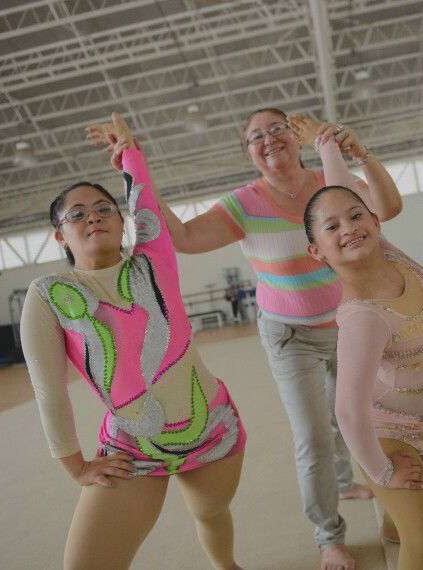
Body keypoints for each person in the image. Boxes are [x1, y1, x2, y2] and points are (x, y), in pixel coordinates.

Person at [87, 108, 403, 570]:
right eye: (256, 136)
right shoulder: (244, 203)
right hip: (289, 335)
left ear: (295, 137)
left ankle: (357, 488)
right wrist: (139, 171)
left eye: (277, 128)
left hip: (349, 324)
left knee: (360, 420)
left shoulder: (328, 182)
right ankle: (328, 536)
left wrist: (359, 152)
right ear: (248, 153)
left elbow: (387, 208)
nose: (269, 138)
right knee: (314, 434)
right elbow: (184, 237)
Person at [20, 113, 246, 570]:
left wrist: (131, 155)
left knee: (212, 511)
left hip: (213, 425)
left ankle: (227, 567)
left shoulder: (153, 260)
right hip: (132, 448)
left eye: (105, 208)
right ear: (60, 235)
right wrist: (77, 465)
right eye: (77, 214)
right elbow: (49, 390)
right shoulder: (49, 294)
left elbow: (143, 200)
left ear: (124, 223)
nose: (94, 217)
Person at [292, 116, 423, 569]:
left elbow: (340, 193)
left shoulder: (389, 251)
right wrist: (382, 471)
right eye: (331, 228)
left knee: (409, 516)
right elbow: (347, 411)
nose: (348, 227)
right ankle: (395, 512)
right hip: (389, 437)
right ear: (317, 252)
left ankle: (391, 521)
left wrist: (328, 144)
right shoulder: (363, 318)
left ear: (374, 220)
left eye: (357, 215)